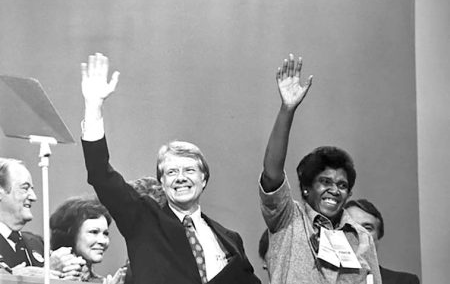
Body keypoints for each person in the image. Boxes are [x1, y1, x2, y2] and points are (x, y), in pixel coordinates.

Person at [80, 53, 260, 284]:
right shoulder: (143, 221)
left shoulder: (230, 239)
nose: (180, 178)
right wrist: (93, 107)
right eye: (172, 172)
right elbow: (101, 175)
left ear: (204, 179)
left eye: (189, 170)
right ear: (162, 182)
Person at [259, 54, 381, 283]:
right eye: (325, 182)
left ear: (349, 194)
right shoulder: (288, 219)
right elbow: (271, 173)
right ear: (306, 188)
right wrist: (287, 109)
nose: (334, 189)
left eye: (342, 185)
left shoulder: (362, 237)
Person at [0, 157, 85, 278]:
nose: (33, 197)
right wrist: (47, 270)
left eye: (32, 189)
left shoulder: (36, 243)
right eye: (25, 188)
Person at [50, 196, 127, 283]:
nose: (103, 241)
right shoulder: (44, 276)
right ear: (70, 235)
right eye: (94, 232)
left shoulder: (102, 282)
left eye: (105, 233)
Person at [344, 199, 420, 284]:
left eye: (367, 228)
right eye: (350, 227)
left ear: (378, 236)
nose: (359, 233)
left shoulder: (405, 281)